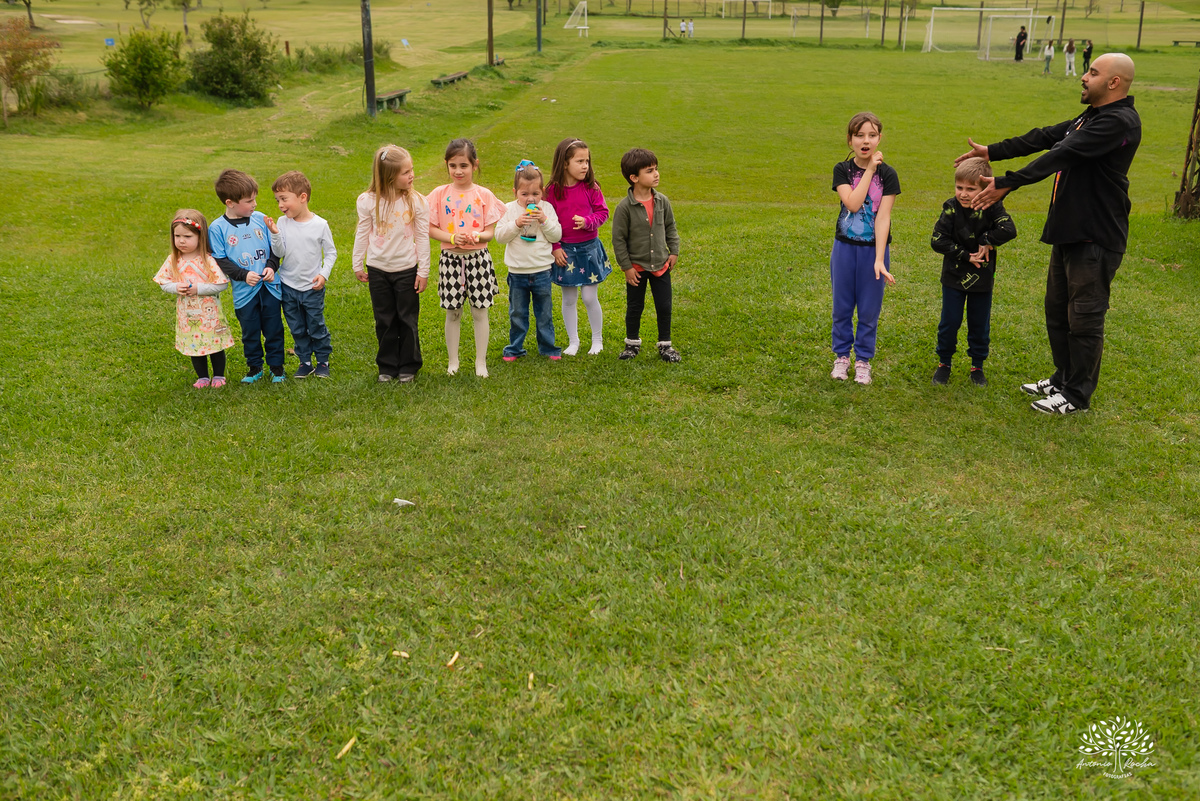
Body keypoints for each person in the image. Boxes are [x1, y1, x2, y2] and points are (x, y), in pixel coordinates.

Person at [958, 53, 1141, 414]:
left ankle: (1077, 395)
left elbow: (1062, 153)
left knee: (1084, 318)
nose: (1084, 77)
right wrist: (994, 151)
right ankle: (1063, 377)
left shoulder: (1118, 123)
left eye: (1093, 72)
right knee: (1057, 311)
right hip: (1069, 231)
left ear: (1114, 82)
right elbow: (1046, 137)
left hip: (1095, 236)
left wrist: (1008, 182)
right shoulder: (1091, 116)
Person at [929, 158, 1017, 387]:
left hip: (982, 278)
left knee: (979, 324)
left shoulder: (992, 207)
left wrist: (986, 240)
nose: (964, 194)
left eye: (971, 189)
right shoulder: (951, 207)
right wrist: (966, 255)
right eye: (959, 187)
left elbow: (1009, 229)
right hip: (953, 277)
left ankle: (977, 366)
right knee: (949, 322)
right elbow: (937, 240)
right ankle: (944, 363)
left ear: (984, 189)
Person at [829, 111, 899, 386]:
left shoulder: (889, 174)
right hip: (844, 250)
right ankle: (841, 357)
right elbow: (853, 204)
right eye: (859, 135)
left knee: (869, 311)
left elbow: (883, 218)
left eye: (872, 135)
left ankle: (863, 362)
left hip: (873, 251)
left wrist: (879, 259)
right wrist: (869, 170)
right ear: (850, 140)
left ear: (880, 138)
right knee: (842, 307)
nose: (865, 141)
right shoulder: (842, 170)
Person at [352, 144, 430, 383]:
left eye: (411, 170)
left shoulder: (416, 201)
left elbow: (422, 237)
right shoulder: (367, 201)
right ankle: (387, 366)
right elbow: (362, 232)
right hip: (378, 270)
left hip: (406, 270)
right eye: (406, 172)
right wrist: (357, 263)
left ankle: (409, 365)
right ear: (388, 176)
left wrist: (423, 270)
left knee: (407, 319)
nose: (412, 175)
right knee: (384, 319)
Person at [427, 138, 505, 377]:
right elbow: (430, 228)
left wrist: (477, 235)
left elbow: (490, 233)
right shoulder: (439, 194)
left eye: (464, 165)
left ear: (475, 165)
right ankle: (453, 362)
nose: (458, 171)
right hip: (450, 260)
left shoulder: (484, 195)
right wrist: (452, 238)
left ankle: (481, 362)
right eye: (453, 166)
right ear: (446, 165)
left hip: (478, 259)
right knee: (453, 312)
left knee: (480, 311)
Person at [208, 169, 284, 383]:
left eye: (254, 199)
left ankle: (277, 368)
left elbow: (275, 249)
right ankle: (254, 368)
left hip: (270, 287)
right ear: (230, 203)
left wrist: (271, 267)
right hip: (244, 293)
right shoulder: (218, 228)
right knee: (250, 332)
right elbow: (221, 260)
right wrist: (243, 275)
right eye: (249, 201)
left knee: (274, 329)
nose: (255, 204)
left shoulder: (260, 219)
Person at [612, 148, 681, 363]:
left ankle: (665, 345)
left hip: (661, 265)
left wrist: (674, 251)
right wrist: (627, 267)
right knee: (635, 306)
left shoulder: (663, 201)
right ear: (634, 177)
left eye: (656, 169)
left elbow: (670, 227)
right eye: (650, 171)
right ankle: (632, 344)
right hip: (637, 268)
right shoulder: (624, 207)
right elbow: (619, 240)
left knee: (664, 305)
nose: (656, 174)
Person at [153, 210, 235, 388]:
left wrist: (199, 289)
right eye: (177, 236)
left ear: (200, 236)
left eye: (187, 236)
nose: (181, 241)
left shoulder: (207, 260)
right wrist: (176, 287)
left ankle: (219, 375)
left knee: (215, 345)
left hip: (210, 315)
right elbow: (163, 282)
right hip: (187, 316)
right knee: (194, 346)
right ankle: (203, 377)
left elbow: (221, 284)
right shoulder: (173, 260)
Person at [267, 171, 337, 379]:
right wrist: (275, 234)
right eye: (277, 200)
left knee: (316, 325)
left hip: (312, 287)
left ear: (302, 197)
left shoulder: (320, 225)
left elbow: (331, 253)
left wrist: (323, 274)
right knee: (297, 327)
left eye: (284, 199)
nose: (280, 205)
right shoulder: (282, 223)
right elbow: (279, 252)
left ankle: (323, 361)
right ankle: (305, 361)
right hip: (288, 286)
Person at [546, 137, 612, 356]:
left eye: (587, 161)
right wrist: (555, 247)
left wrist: (587, 221)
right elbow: (548, 223)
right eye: (580, 161)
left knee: (589, 298)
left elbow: (603, 212)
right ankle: (573, 342)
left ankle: (597, 340)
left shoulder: (591, 187)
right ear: (565, 163)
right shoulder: (552, 191)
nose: (585, 166)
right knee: (569, 299)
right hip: (565, 252)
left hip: (589, 250)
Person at [494, 160, 563, 362]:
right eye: (524, 194)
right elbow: (499, 237)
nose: (530, 198)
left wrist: (544, 220)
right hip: (517, 272)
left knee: (544, 313)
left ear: (542, 192)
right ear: (515, 192)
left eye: (535, 193)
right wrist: (516, 224)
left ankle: (548, 347)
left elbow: (556, 235)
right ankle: (514, 348)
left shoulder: (547, 209)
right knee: (517, 313)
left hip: (542, 271)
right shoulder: (508, 209)